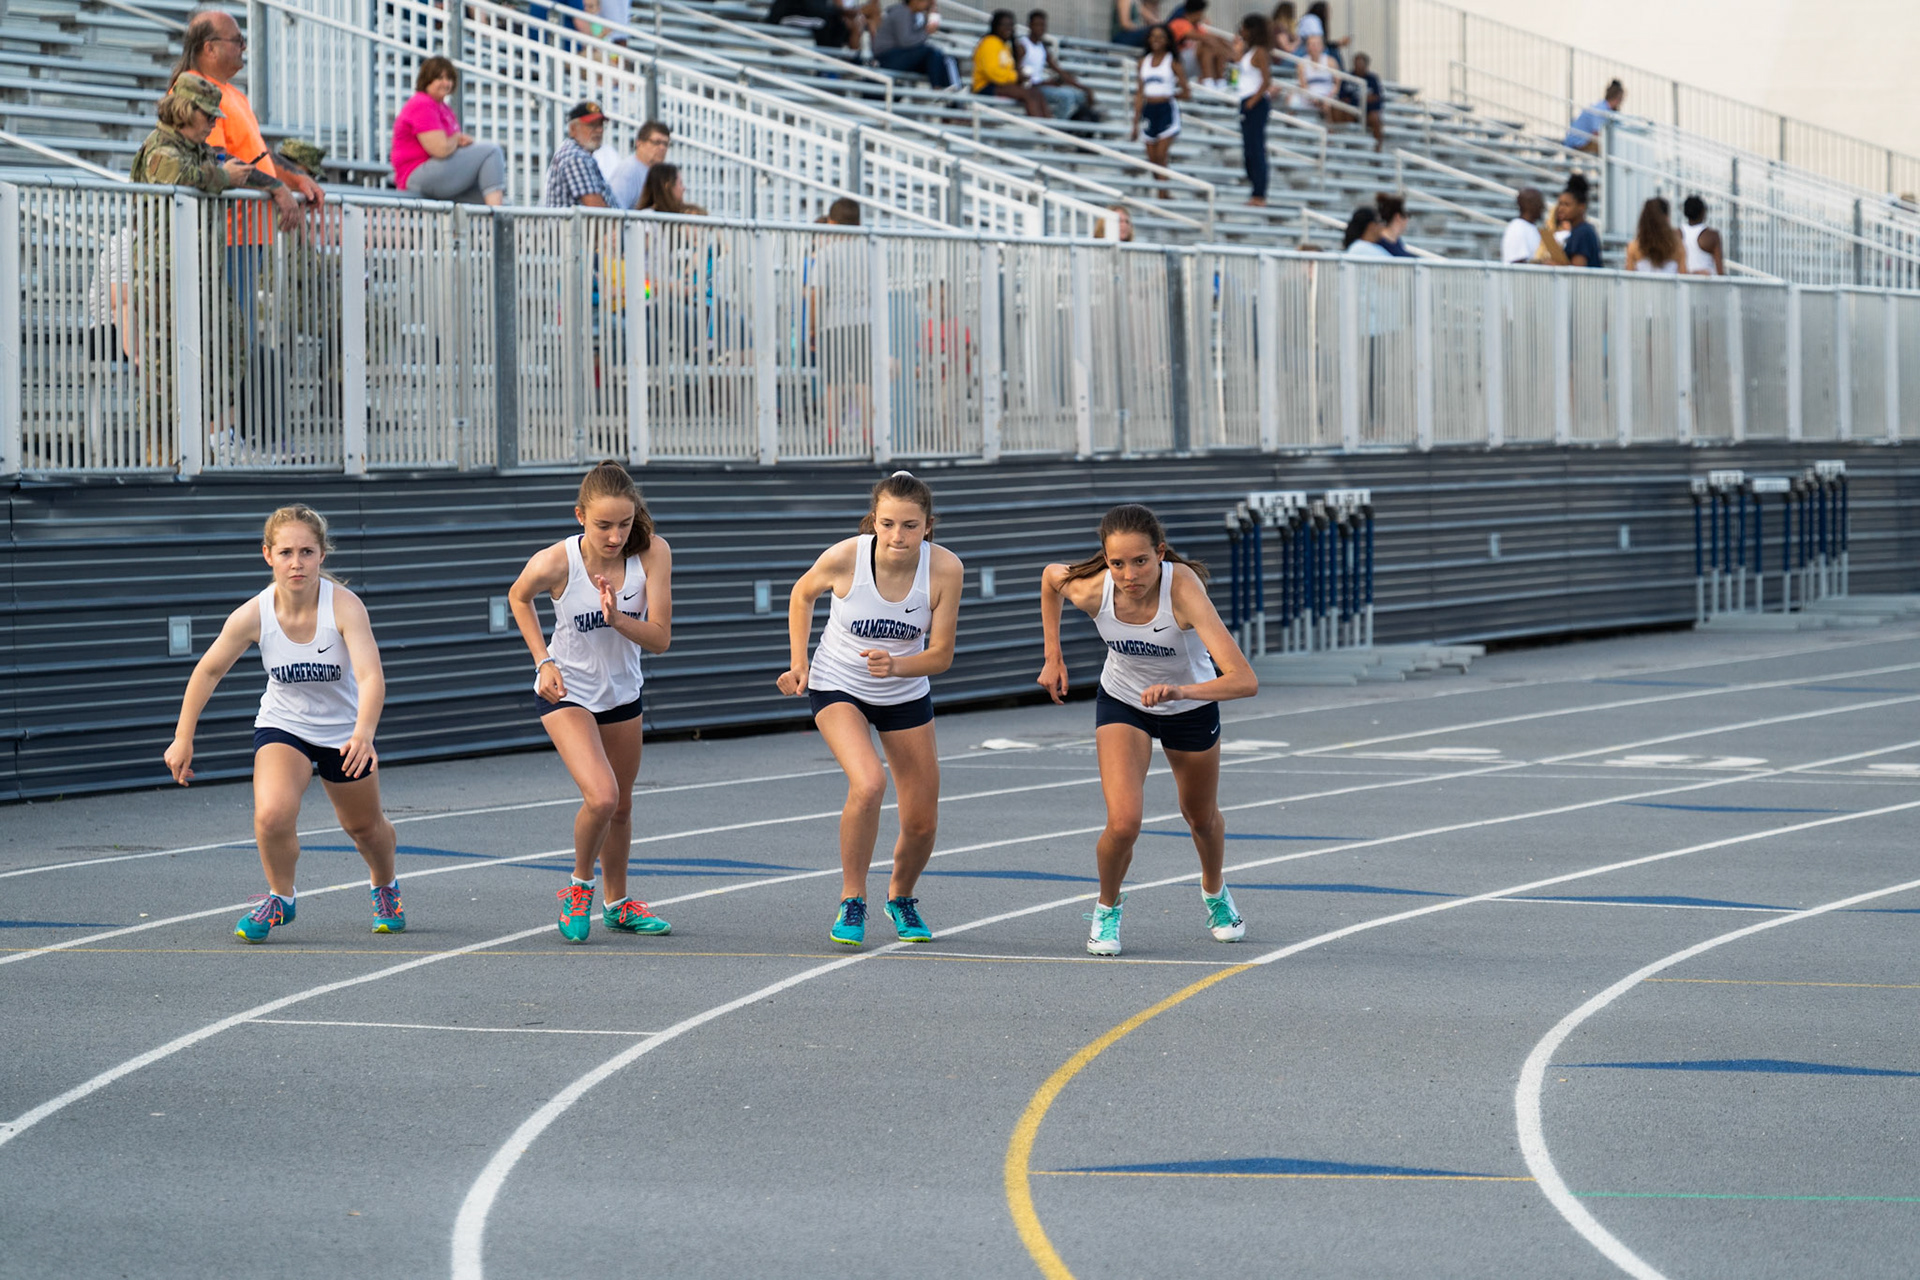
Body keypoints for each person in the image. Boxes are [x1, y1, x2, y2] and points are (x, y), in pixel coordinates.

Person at [164, 506, 403, 943]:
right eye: (286, 552)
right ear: (268, 555)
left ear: (322, 555)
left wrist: (364, 733)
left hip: (344, 732)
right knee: (272, 815)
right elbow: (208, 670)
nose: (297, 563)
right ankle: (281, 897)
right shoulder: (254, 614)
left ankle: (385, 886)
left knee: (365, 829)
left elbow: (371, 677)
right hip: (284, 725)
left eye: (307, 552)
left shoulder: (344, 607)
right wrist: (183, 737)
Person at [1036, 503, 1257, 957]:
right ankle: (1106, 908)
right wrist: (1053, 655)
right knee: (1123, 822)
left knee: (1201, 818)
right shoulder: (1094, 590)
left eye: (1140, 561)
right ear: (1105, 559)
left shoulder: (1184, 592)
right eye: (1117, 563)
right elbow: (1050, 577)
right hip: (1124, 700)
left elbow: (1244, 680)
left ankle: (1214, 891)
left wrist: (1181, 691)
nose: (1129, 575)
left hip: (1189, 705)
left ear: (1160, 553)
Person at [776, 472, 964, 948]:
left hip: (904, 691)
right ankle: (852, 898)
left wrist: (898, 666)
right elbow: (802, 594)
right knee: (869, 783)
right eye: (887, 524)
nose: (898, 536)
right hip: (838, 684)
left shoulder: (945, 569)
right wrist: (799, 662)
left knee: (922, 821)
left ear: (928, 525)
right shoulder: (846, 557)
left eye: (910, 525)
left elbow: (941, 656)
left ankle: (900, 896)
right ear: (873, 521)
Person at [507, 462, 675, 944]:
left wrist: (618, 619)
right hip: (568, 693)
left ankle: (617, 905)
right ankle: (579, 888)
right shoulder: (557, 562)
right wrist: (543, 662)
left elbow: (660, 639)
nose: (615, 536)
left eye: (624, 523)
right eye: (603, 525)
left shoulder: (654, 553)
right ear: (580, 516)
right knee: (602, 796)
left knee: (621, 807)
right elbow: (518, 597)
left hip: (622, 693)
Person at [174, 9, 321, 235]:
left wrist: (297, 178)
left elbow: (257, 155)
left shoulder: (234, 95)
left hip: (249, 231)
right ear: (209, 48)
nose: (243, 47)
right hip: (223, 235)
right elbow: (212, 157)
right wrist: (275, 186)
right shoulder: (192, 93)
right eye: (237, 40)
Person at [390, 57, 506, 206]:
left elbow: (449, 145)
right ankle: (496, 216)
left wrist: (459, 142)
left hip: (437, 173)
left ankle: (496, 214)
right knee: (491, 151)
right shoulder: (422, 103)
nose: (446, 83)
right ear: (427, 79)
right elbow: (441, 149)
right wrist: (456, 139)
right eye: (440, 78)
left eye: (449, 78)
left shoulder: (443, 108)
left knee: (493, 200)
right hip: (415, 174)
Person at [131, 73, 259, 194]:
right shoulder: (162, 145)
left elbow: (209, 177)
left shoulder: (199, 148)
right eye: (209, 117)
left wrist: (237, 175)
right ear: (185, 110)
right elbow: (182, 178)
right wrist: (224, 177)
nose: (213, 124)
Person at [1130, 25, 1188, 200]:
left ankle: (1162, 194)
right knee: (1152, 157)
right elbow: (1140, 93)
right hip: (1149, 110)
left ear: (1168, 40)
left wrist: (1169, 94)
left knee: (1161, 155)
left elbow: (1187, 92)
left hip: (1166, 109)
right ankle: (1163, 191)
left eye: (1161, 37)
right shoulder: (1143, 62)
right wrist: (1135, 122)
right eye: (1153, 36)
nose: (1156, 40)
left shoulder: (1172, 62)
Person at [1019, 10, 1094, 121]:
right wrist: (1044, 83)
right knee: (1066, 97)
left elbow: (1059, 70)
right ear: (1029, 25)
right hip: (1032, 89)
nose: (1040, 28)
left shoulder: (1042, 47)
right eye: (1037, 25)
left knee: (1081, 96)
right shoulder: (1022, 45)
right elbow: (1018, 74)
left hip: (1041, 86)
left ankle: (1074, 124)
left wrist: (1083, 87)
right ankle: (1058, 126)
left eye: (1043, 25)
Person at [972, 10, 1049, 117]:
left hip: (1002, 84)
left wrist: (1020, 76)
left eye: (1011, 25)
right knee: (1028, 94)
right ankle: (1039, 125)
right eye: (1004, 25)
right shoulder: (989, 43)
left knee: (1036, 92)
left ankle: (1049, 123)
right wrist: (1016, 77)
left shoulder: (1004, 45)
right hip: (986, 86)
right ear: (996, 26)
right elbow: (993, 73)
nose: (1008, 29)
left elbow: (1008, 69)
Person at [1231, 14, 1272, 207]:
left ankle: (1259, 193)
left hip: (1255, 102)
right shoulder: (1249, 52)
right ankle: (1254, 185)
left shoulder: (1260, 52)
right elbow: (1236, 65)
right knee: (1248, 148)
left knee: (1256, 148)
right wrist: (1237, 48)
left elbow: (1266, 80)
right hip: (1246, 100)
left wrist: (1253, 101)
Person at [872, 0, 959, 90]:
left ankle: (948, 90)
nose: (928, 4)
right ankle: (938, 89)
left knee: (939, 58)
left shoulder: (913, 14)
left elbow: (916, 39)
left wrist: (931, 15)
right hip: (887, 57)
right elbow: (906, 41)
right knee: (930, 52)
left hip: (899, 55)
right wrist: (927, 32)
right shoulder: (902, 12)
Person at [543, 100, 614, 207]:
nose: (599, 130)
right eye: (592, 125)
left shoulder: (579, 154)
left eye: (601, 125)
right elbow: (597, 211)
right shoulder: (575, 157)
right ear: (572, 129)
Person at [1539, 174, 1602, 268]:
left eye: (1566, 205)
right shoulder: (1578, 230)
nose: (1560, 209)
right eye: (1560, 204)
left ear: (1581, 207)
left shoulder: (1582, 232)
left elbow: (1577, 271)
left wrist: (1553, 264)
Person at [1166, 0, 1231, 87]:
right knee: (1207, 45)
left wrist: (1227, 44)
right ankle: (1208, 81)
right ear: (1197, 13)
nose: (1203, 16)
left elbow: (1214, 38)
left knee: (1215, 47)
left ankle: (1220, 81)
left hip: (1191, 62)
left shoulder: (1197, 27)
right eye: (1202, 13)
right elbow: (1202, 38)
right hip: (1178, 62)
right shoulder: (1179, 23)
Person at [609, 120, 670, 210]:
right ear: (639, 143)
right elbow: (615, 210)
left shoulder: (659, 173)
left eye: (665, 144)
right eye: (656, 142)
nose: (662, 148)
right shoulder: (628, 170)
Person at [1624, 196, 1683, 274]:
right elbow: (1683, 276)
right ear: (1667, 219)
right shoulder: (1678, 248)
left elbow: (1629, 277)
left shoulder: (1633, 247)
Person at [1564, 79, 1623, 154]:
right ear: (1617, 98)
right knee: (1611, 147)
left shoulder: (1607, 109)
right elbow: (1597, 133)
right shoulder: (1601, 109)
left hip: (1583, 140)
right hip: (1578, 142)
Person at [1342, 50, 1384, 149]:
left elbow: (1376, 98)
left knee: (1375, 118)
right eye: (1356, 63)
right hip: (1351, 111)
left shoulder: (1372, 79)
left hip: (1368, 111)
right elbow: (1343, 98)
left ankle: (1377, 148)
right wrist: (1360, 100)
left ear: (1366, 65)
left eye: (1361, 63)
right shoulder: (1348, 78)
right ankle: (1348, 146)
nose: (1358, 66)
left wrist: (1362, 101)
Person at [1293, 31, 1338, 120]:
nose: (1314, 47)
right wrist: (1312, 98)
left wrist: (1328, 97)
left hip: (1327, 95)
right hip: (1309, 97)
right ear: (1307, 47)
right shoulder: (1302, 63)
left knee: (1329, 105)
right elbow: (1303, 85)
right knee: (1292, 100)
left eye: (1317, 44)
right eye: (1311, 44)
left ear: (1322, 46)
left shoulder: (1331, 62)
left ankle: (1329, 126)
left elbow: (1337, 84)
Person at [636, 162, 707, 215]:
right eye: (680, 183)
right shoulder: (648, 216)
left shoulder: (683, 212)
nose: (684, 188)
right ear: (668, 186)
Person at [1682, 194, 1725, 276]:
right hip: (1707, 281)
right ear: (1703, 212)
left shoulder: (1678, 233)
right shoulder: (1712, 235)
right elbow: (1720, 270)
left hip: (1684, 281)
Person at [1501, 187, 1545, 264]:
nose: (1543, 207)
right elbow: (1517, 263)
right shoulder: (1517, 228)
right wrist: (1544, 263)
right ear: (1528, 204)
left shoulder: (1532, 228)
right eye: (1539, 203)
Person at [1375, 192, 1414, 257]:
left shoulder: (1396, 241)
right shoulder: (1381, 242)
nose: (1407, 220)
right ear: (1398, 217)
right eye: (1407, 214)